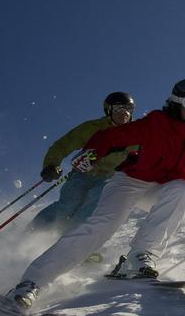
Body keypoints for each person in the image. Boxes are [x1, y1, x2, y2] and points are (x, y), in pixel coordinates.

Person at [5, 78, 185, 310]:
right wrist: (91, 153)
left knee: (180, 188)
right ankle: (31, 282)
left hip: (166, 187)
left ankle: (140, 258)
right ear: (177, 103)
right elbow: (111, 137)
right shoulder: (156, 123)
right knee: (100, 227)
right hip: (130, 182)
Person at [27, 92, 137, 235]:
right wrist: (51, 165)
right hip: (82, 174)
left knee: (93, 205)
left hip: (108, 178)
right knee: (67, 205)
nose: (124, 114)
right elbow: (62, 145)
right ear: (108, 111)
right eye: (118, 109)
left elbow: (150, 154)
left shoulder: (136, 134)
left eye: (128, 109)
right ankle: (31, 232)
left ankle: (71, 240)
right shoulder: (92, 128)